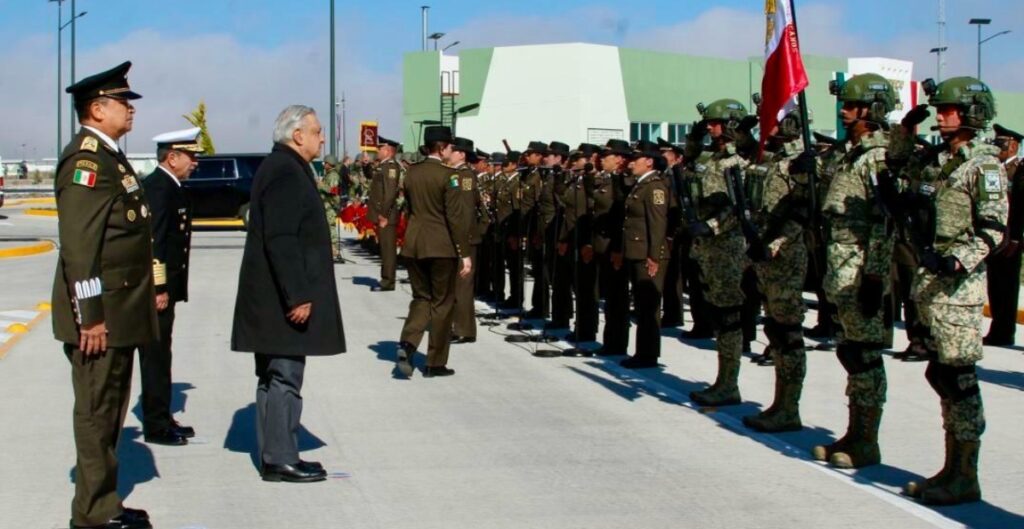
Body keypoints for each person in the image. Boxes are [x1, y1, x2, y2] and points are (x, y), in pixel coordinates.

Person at [891, 77, 1006, 505]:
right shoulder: (942, 160)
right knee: (939, 373)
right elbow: (897, 167)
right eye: (939, 109)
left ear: (972, 113)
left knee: (959, 379)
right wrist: (906, 130)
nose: (941, 115)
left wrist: (959, 258)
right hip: (931, 281)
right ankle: (951, 465)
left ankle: (966, 474)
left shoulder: (984, 166)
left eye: (949, 109)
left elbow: (994, 227)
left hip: (958, 286)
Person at [54, 61, 155, 529]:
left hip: (120, 312)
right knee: (96, 413)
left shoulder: (111, 157)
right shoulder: (88, 162)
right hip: (102, 317)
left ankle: (104, 504)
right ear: (96, 109)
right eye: (122, 102)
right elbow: (80, 246)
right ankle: (92, 514)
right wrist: (90, 317)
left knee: (111, 408)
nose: (130, 110)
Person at [231, 105, 346, 483]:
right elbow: (282, 239)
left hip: (270, 298)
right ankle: (280, 457)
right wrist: (297, 295)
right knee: (284, 376)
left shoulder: (283, 167)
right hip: (281, 300)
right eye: (317, 131)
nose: (322, 138)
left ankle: (275, 453)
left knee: (272, 375)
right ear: (298, 135)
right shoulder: (285, 172)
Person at [811, 73, 897, 470]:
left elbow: (885, 223)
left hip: (862, 270)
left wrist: (875, 277)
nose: (843, 111)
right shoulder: (853, 154)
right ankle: (853, 432)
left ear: (872, 109)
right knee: (849, 352)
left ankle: (868, 440)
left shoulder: (879, 157)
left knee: (865, 357)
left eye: (851, 105)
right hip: (842, 268)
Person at [740, 106, 813, 432]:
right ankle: (780, 403)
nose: (763, 128)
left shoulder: (801, 162)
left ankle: (789, 406)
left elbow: (802, 212)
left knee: (788, 333)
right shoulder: (772, 158)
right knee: (775, 330)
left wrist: (770, 245)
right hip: (765, 255)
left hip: (785, 258)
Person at [137, 126, 203, 447]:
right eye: (191, 156)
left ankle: (162, 416)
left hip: (167, 289)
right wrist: (159, 288)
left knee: (163, 352)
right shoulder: (159, 189)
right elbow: (154, 242)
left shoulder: (170, 186)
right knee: (156, 355)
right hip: (157, 291)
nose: (195, 163)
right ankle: (156, 424)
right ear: (172, 157)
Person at [684, 99, 752, 407]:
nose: (710, 128)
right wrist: (694, 140)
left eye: (714, 123)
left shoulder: (741, 161)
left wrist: (710, 226)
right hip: (708, 247)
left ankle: (729, 383)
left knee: (728, 316)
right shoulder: (711, 157)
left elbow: (742, 207)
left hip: (727, 245)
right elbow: (688, 168)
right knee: (718, 313)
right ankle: (724, 380)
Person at [397, 126, 472, 377]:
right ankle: (435, 362)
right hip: (441, 246)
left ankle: (407, 344)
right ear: (441, 148)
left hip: (414, 243)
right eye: (450, 146)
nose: (452, 150)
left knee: (421, 298)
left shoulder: (411, 174)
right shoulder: (448, 176)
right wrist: (464, 253)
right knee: (442, 304)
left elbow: (408, 209)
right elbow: (455, 218)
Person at [619, 141, 670, 368]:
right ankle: (642, 351)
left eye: (635, 159)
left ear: (648, 161)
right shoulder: (640, 185)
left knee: (649, 306)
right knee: (641, 303)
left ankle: (648, 354)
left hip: (648, 254)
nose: (631, 163)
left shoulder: (655, 186)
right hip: (636, 251)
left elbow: (657, 224)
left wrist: (654, 256)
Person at [984, 124, 1023, 346]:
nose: (997, 146)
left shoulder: (1019, 169)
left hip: (1011, 237)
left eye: (1002, 143)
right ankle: (997, 329)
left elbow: (1020, 207)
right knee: (995, 283)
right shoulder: (993, 168)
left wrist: (1016, 238)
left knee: (1008, 285)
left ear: (1014, 145)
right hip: (995, 235)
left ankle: (1004, 330)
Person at [592, 139, 632, 356]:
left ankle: (617, 343)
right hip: (603, 244)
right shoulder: (608, 179)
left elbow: (620, 220)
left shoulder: (624, 182)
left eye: (606, 156)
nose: (601, 160)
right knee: (610, 297)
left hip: (615, 246)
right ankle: (610, 341)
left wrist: (617, 248)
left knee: (618, 298)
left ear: (618, 159)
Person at [450, 137, 488, 344]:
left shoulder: (464, 176)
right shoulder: (455, 174)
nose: (449, 153)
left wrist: (463, 240)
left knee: (463, 286)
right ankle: (457, 326)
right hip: (461, 237)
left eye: (453, 150)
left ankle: (464, 330)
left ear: (461, 154)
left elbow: (465, 212)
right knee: (457, 284)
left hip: (464, 238)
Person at [368, 137, 405, 291]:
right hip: (384, 215)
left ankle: (388, 281)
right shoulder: (383, 167)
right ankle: (386, 278)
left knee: (388, 249)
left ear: (388, 151)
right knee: (384, 248)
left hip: (387, 216)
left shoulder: (391, 167)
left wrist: (383, 215)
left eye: (380, 148)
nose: (378, 151)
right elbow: (372, 178)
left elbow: (390, 194)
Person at [319, 154, 345, 262]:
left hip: (330, 205)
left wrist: (321, 185)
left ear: (330, 164)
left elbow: (333, 191)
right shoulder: (328, 174)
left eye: (325, 163)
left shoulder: (333, 176)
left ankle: (335, 252)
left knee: (331, 228)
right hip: (326, 205)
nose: (324, 165)